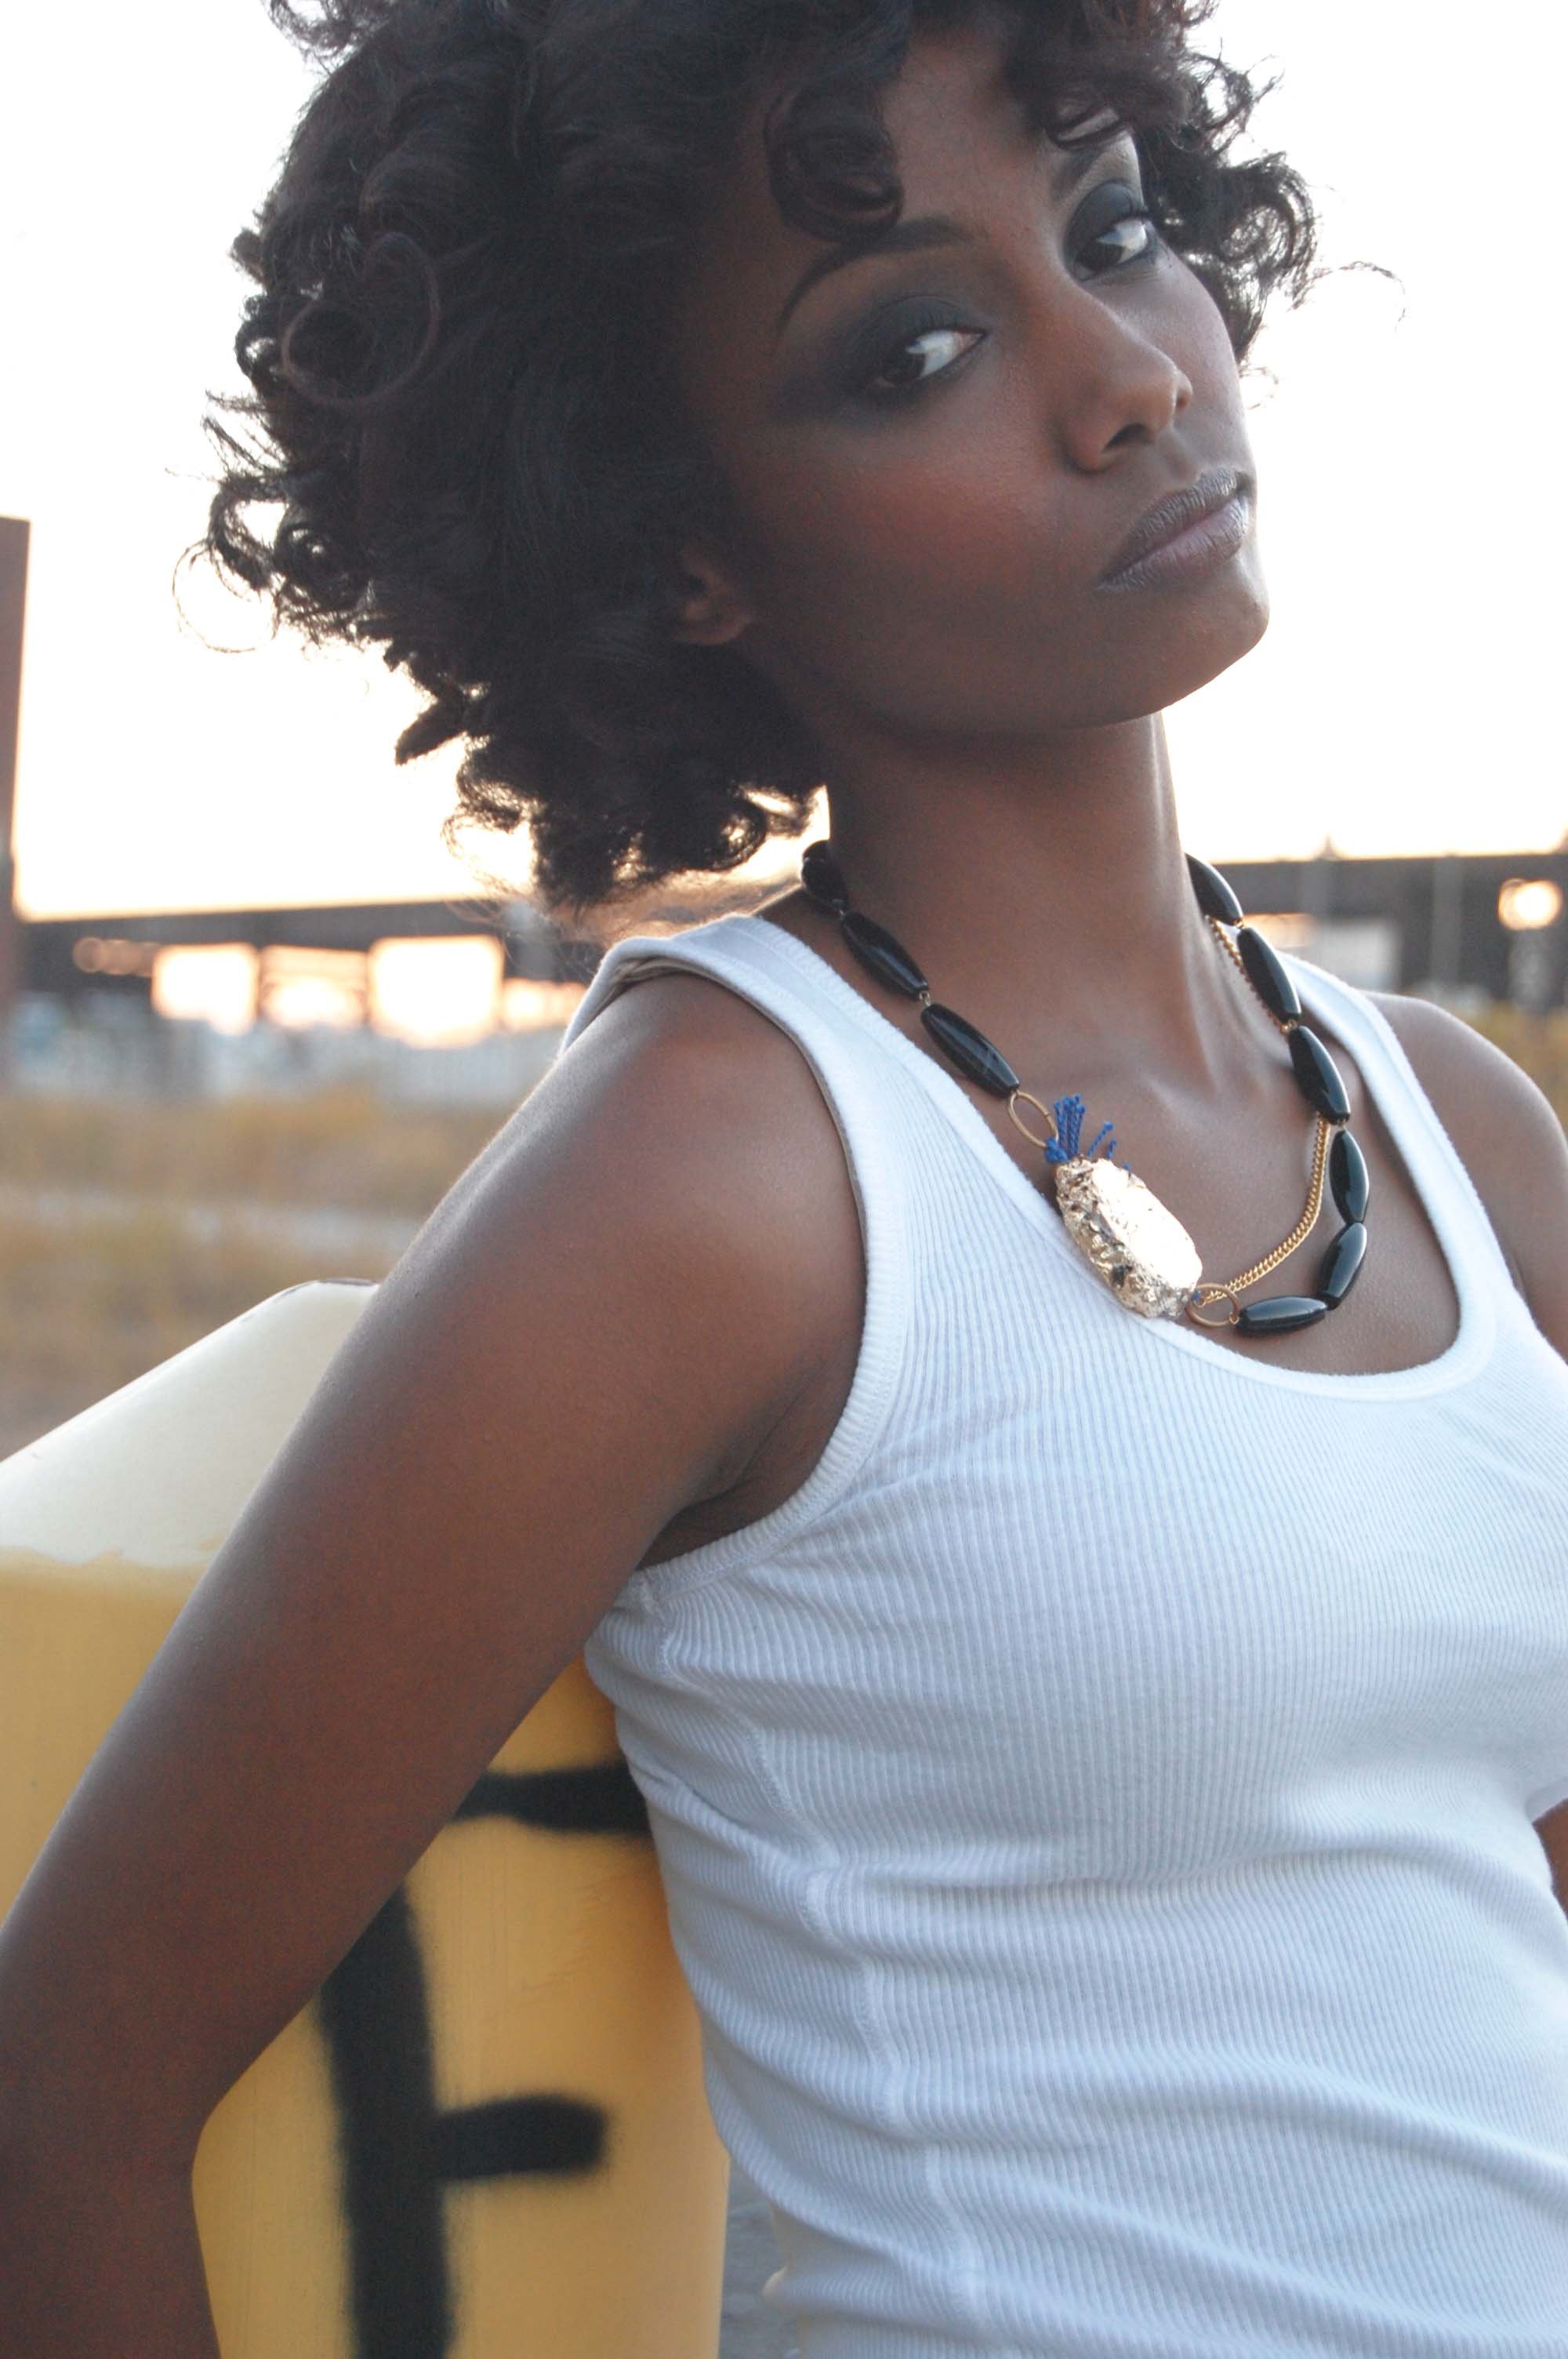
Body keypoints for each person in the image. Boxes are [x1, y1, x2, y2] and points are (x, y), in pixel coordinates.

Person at [4, 2, 1567, 2350]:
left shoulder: (1456, 1127)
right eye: (914, 346)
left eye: (1120, 224)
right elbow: (65, 2092)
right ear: (686, 549)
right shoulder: (720, 1176)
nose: (1129, 373)